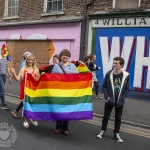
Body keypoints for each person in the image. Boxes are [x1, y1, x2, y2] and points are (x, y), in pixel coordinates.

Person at [97, 57, 129, 143]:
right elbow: (104, 87)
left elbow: (127, 89)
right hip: (109, 100)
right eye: (113, 63)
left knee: (118, 118)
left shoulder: (125, 75)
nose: (114, 65)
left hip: (120, 101)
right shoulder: (109, 74)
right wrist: (107, 97)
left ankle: (116, 134)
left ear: (121, 65)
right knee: (106, 116)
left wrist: (123, 97)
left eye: (116, 63)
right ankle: (102, 131)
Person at [52, 49, 78, 136]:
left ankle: (65, 128)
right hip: (59, 91)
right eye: (63, 55)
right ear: (61, 56)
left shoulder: (73, 66)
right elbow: (52, 77)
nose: (65, 57)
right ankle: (58, 127)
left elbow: (77, 78)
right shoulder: (56, 66)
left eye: (67, 55)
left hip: (69, 92)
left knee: (67, 109)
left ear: (69, 57)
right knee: (59, 109)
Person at [11, 54, 40, 128]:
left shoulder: (36, 70)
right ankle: (26, 121)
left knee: (33, 105)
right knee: (26, 106)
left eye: (32, 60)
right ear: (26, 60)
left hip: (33, 90)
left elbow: (38, 80)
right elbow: (17, 79)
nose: (30, 61)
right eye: (29, 60)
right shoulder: (23, 69)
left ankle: (33, 118)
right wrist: (14, 73)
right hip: (25, 90)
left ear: (34, 61)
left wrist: (42, 75)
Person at [12, 52, 31, 119]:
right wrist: (14, 73)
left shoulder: (26, 63)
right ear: (26, 58)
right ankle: (19, 112)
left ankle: (17, 111)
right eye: (29, 58)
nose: (31, 60)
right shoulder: (24, 64)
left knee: (27, 100)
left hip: (28, 84)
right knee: (26, 99)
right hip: (25, 83)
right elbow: (21, 77)